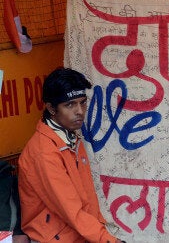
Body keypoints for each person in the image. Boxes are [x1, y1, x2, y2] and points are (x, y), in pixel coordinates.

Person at [18, 68, 123, 243]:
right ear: (51, 108)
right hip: (55, 238)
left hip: (80, 233)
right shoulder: (44, 152)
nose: (80, 111)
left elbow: (87, 199)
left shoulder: (69, 137)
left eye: (83, 102)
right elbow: (72, 211)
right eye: (70, 105)